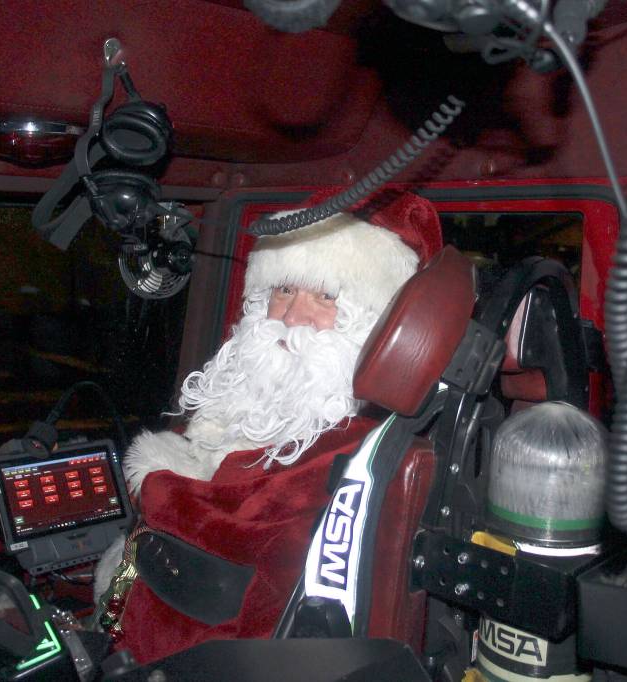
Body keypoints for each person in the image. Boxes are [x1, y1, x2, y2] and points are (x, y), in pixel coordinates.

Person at [94, 191, 443, 663]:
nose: (292, 317)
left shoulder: (351, 447)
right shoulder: (251, 400)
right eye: (283, 291)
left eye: (325, 297)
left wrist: (157, 472)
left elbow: (235, 540)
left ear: (373, 323)